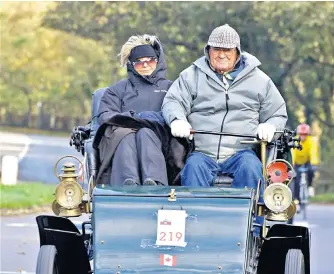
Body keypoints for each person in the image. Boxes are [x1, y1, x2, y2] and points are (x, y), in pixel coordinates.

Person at [161, 24, 288, 192]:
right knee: (192, 168)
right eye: (216, 49)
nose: (221, 55)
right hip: (201, 152)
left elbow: (277, 113)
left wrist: (271, 126)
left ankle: (249, 217)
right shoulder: (191, 76)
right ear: (208, 50)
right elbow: (172, 101)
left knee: (251, 167)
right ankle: (196, 217)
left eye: (227, 50)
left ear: (237, 52)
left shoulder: (260, 80)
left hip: (242, 153)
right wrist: (177, 119)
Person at [96, 34, 172, 186]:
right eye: (139, 62)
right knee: (126, 135)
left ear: (157, 61)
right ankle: (128, 183)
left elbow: (179, 113)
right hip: (123, 136)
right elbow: (105, 115)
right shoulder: (117, 90)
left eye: (149, 60)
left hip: (159, 139)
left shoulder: (171, 88)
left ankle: (155, 183)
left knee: (145, 133)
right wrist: (135, 118)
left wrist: (150, 120)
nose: (145, 65)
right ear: (131, 64)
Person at [292, 123, 320, 199]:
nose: (303, 136)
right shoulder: (295, 140)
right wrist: (292, 164)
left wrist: (313, 163)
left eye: (305, 134)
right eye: (301, 134)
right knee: (296, 179)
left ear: (308, 134)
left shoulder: (312, 140)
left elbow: (313, 152)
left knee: (311, 171)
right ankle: (296, 199)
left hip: (307, 161)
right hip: (296, 162)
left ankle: (310, 186)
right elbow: (293, 152)